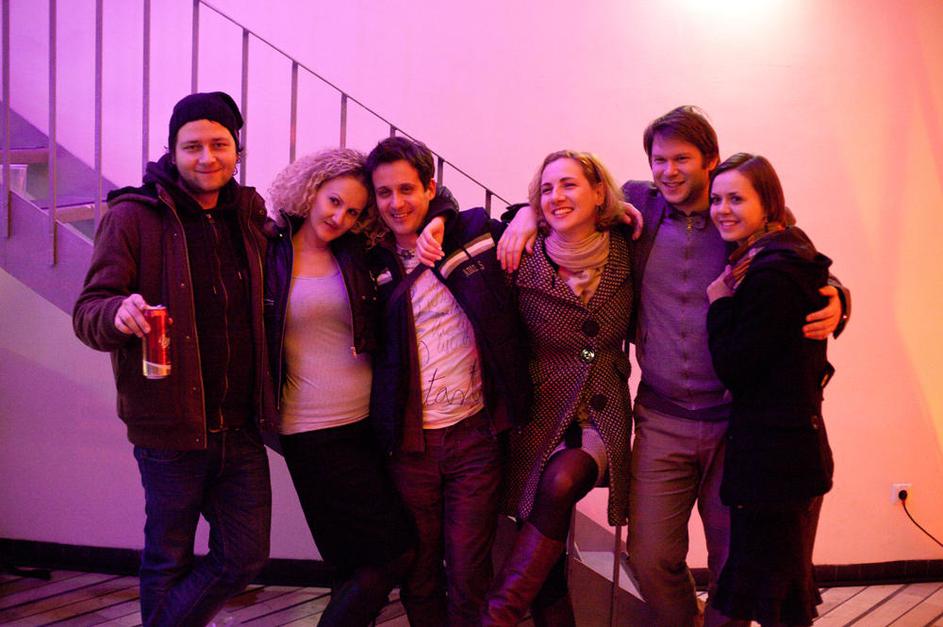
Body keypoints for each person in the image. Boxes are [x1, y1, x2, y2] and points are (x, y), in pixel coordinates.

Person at [497, 106, 849, 625]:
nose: (668, 171)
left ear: (711, 159)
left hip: (733, 424)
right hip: (662, 418)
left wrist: (839, 296)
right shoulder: (642, 204)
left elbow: (799, 262)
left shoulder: (738, 214)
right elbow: (574, 204)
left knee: (732, 561)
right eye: (658, 160)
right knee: (650, 556)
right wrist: (526, 214)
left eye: (681, 158)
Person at [73, 91, 274, 626]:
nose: (207, 157)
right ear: (172, 150)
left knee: (245, 556)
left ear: (237, 151)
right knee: (167, 558)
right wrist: (117, 313)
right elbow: (88, 311)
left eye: (219, 145)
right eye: (192, 146)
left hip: (241, 427)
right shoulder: (132, 216)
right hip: (168, 429)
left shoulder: (250, 216)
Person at [364, 136, 531, 626]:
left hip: (474, 438)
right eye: (384, 192)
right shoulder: (371, 262)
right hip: (408, 445)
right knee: (418, 575)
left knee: (468, 574)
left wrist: (527, 216)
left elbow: (539, 215)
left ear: (430, 188)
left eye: (407, 189)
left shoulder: (472, 233)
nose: (396, 203)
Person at [263, 148, 417, 626]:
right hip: (313, 433)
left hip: (368, 425)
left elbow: (438, 200)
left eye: (353, 211)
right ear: (310, 191)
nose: (339, 217)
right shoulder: (269, 252)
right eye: (333, 202)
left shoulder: (355, 253)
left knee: (353, 565)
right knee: (394, 555)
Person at [481, 150, 633, 626]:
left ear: (598, 192)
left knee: (561, 482)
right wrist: (523, 215)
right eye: (546, 189)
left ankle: (498, 615)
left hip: (601, 414)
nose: (556, 196)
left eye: (569, 184)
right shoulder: (519, 253)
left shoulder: (629, 248)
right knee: (545, 563)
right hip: (537, 416)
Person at [705, 153, 834, 626]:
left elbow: (735, 366)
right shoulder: (781, 256)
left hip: (775, 461)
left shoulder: (771, 273)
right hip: (786, 453)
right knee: (780, 593)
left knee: (779, 599)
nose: (723, 210)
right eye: (716, 199)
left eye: (737, 199)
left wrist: (719, 304)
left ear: (768, 204)